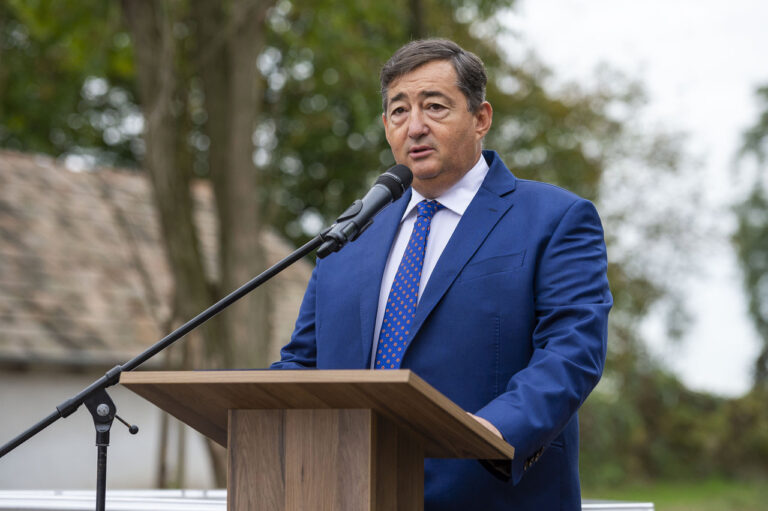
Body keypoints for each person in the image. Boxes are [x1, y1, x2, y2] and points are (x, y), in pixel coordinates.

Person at [271, 38, 612, 511]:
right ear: (385, 126)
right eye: (399, 111)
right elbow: (303, 364)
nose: (415, 126)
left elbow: (572, 352)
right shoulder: (349, 238)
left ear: (480, 118)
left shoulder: (555, 219)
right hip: (347, 493)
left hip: (489, 492)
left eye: (434, 106)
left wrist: (491, 432)